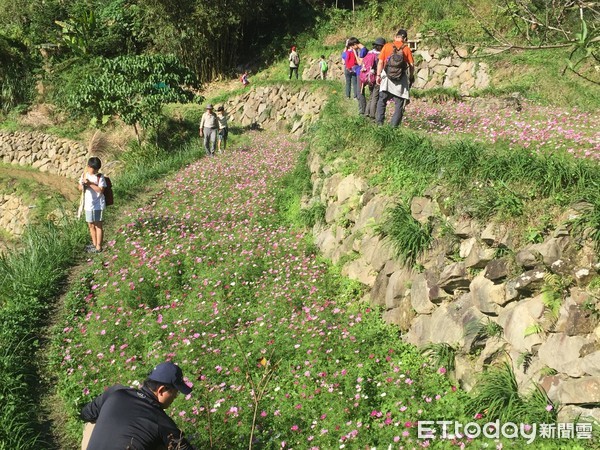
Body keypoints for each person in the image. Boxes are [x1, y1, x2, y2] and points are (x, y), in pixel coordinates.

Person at [80, 361, 196, 450]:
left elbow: (86, 414)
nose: (175, 397)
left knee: (92, 423)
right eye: (175, 392)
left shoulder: (116, 391)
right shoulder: (162, 422)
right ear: (161, 390)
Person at [375, 29, 415, 127]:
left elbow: (380, 62)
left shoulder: (387, 46)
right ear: (405, 39)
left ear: (395, 37)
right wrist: (410, 77)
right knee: (399, 104)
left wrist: (378, 75)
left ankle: (379, 124)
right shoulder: (406, 49)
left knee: (382, 100)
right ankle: (393, 127)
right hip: (400, 79)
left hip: (387, 77)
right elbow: (411, 65)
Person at [78, 157, 106, 254]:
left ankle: (99, 247)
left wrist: (89, 184)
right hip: (88, 205)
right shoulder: (84, 175)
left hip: (98, 205)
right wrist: (82, 185)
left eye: (96, 169)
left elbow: (101, 190)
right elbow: (79, 187)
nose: (95, 171)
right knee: (90, 225)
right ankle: (94, 244)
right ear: (88, 167)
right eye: (93, 169)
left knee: (98, 225)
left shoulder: (100, 177)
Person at [359, 37, 386, 119]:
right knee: (375, 97)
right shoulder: (379, 55)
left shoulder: (369, 53)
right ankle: (372, 115)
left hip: (368, 77)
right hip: (375, 77)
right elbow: (380, 66)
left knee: (371, 96)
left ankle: (367, 112)